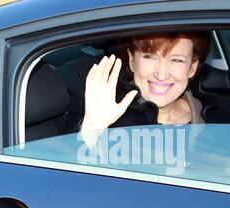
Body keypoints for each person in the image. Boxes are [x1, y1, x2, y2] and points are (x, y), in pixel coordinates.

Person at [71, 32, 211, 147]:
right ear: (132, 60)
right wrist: (93, 128)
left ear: (192, 67)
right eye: (149, 57)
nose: (161, 75)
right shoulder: (96, 109)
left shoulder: (213, 117)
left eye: (176, 60)